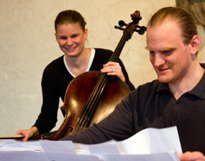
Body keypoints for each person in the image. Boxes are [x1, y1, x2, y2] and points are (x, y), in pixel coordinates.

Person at [61, 6, 205, 161]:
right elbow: (96, 136)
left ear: (193, 44)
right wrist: (42, 149)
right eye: (151, 52)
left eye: (166, 51)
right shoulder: (140, 98)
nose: (156, 62)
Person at [15, 10, 135, 141]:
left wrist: (123, 80)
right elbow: (48, 116)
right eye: (63, 37)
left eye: (74, 36)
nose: (69, 42)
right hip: (73, 135)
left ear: (85, 33)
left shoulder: (107, 58)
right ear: (56, 37)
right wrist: (31, 131)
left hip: (108, 135)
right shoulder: (52, 71)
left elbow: (133, 105)